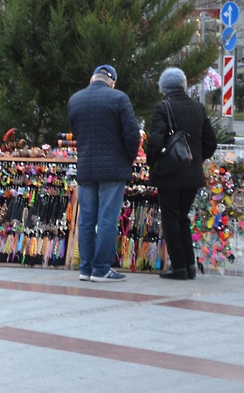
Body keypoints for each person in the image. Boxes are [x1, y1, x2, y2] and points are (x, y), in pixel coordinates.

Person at [67, 64, 140, 282]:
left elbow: (75, 131)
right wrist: (129, 157)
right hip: (113, 169)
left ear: (92, 79)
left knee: (86, 220)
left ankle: (85, 268)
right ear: (112, 82)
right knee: (107, 219)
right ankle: (101, 269)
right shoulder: (119, 98)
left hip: (86, 168)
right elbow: (133, 133)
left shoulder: (75, 100)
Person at [146, 67, 217, 280]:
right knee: (183, 218)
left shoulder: (163, 107)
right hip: (192, 174)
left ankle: (178, 267)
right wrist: (195, 159)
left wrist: (153, 163)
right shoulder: (198, 107)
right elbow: (210, 143)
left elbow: (155, 141)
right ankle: (189, 264)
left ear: (164, 88)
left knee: (170, 219)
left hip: (169, 174)